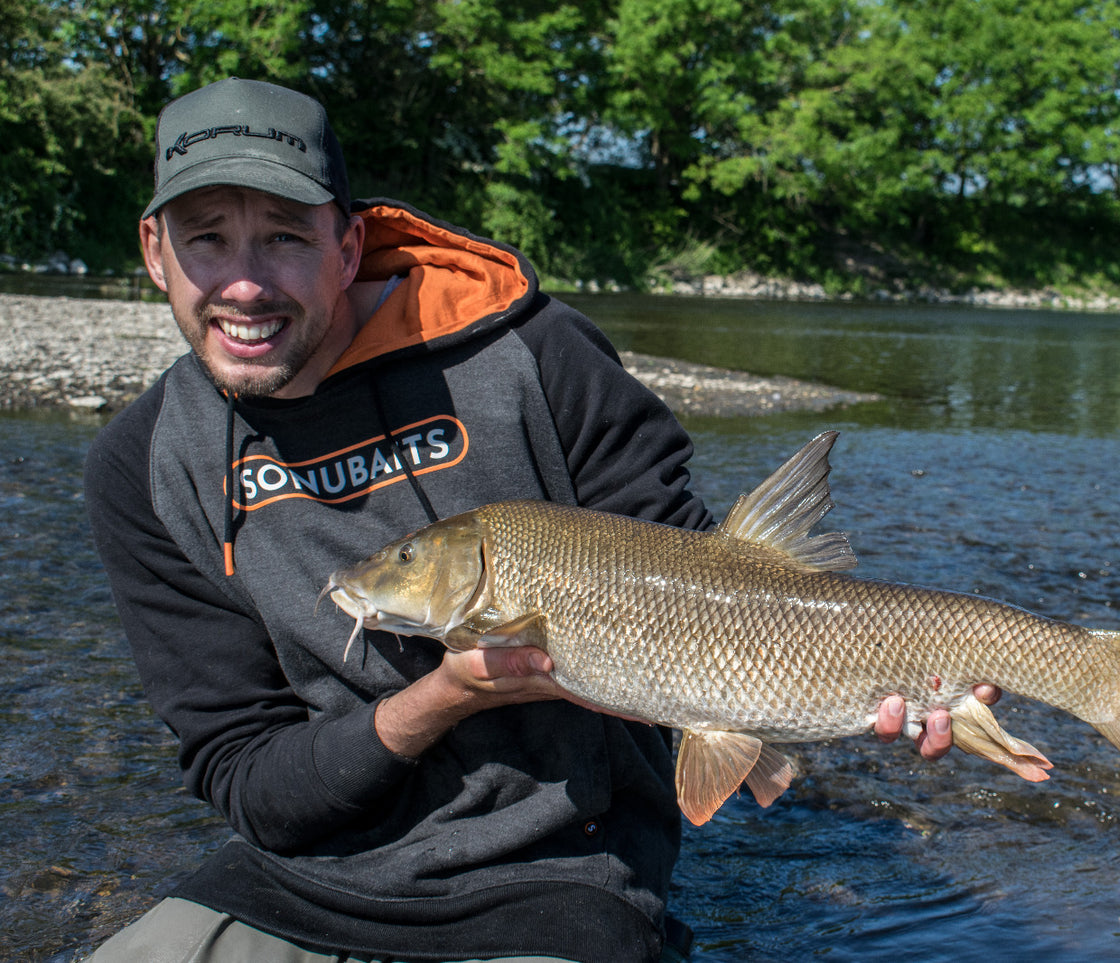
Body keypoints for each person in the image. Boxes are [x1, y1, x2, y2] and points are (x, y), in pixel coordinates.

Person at [83, 78, 992, 963]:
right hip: (305, 872)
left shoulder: (532, 356)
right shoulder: (146, 462)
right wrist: (442, 695)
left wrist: (855, 667)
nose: (244, 285)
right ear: (155, 250)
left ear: (351, 243)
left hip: (563, 871)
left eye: (285, 236)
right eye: (207, 240)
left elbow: (718, 586)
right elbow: (248, 778)